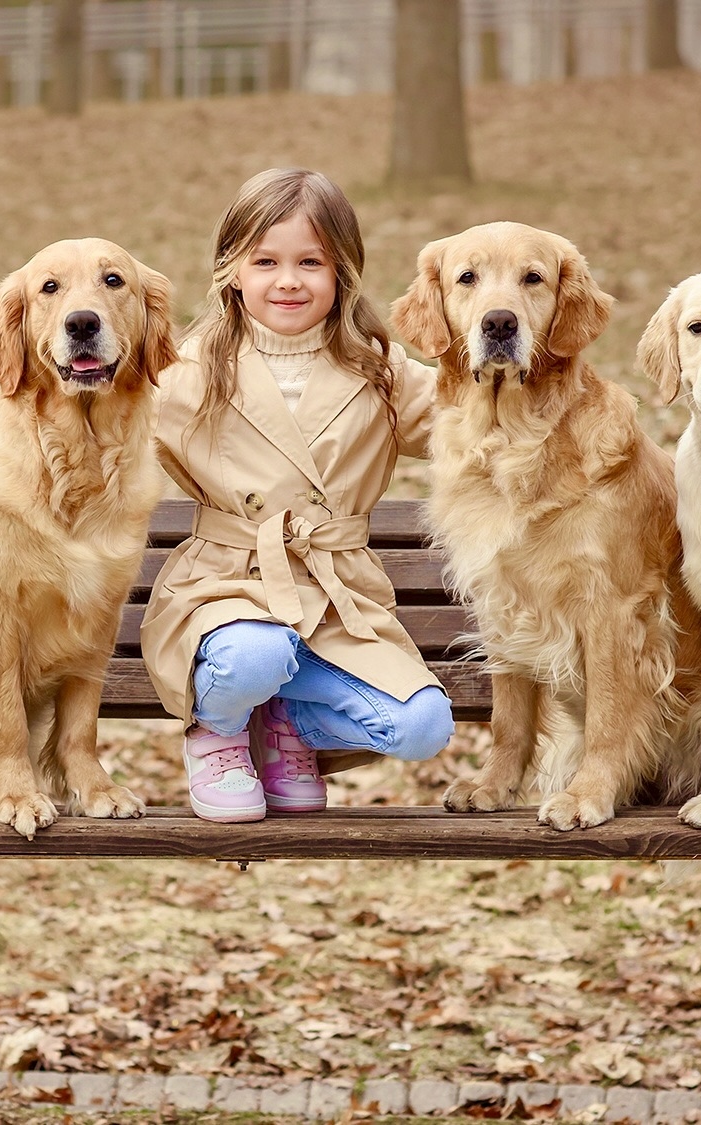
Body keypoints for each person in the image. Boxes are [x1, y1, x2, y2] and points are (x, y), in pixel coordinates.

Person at [142, 167, 455, 823]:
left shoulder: (379, 367)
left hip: (337, 594)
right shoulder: (186, 369)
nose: (288, 280)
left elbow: (468, 420)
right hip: (226, 584)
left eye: (311, 261)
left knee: (423, 724)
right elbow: (106, 434)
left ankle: (289, 720)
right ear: (233, 269)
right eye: (266, 261)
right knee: (257, 653)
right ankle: (220, 732)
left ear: (342, 271)